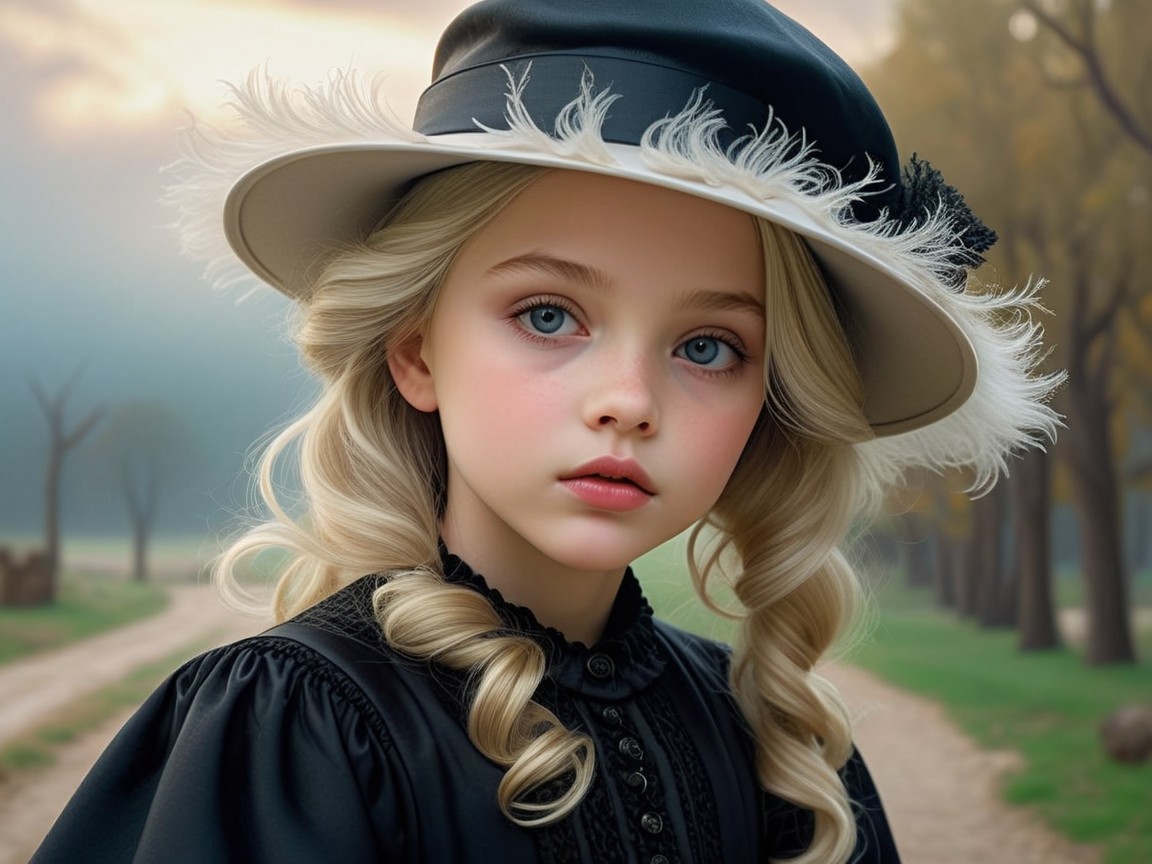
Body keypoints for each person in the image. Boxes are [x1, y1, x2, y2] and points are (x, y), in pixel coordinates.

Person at [33, 1, 1062, 862]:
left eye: (709, 346)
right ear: (416, 351)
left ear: (772, 403)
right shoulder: (297, 727)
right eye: (548, 316)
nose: (629, 400)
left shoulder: (783, 747)